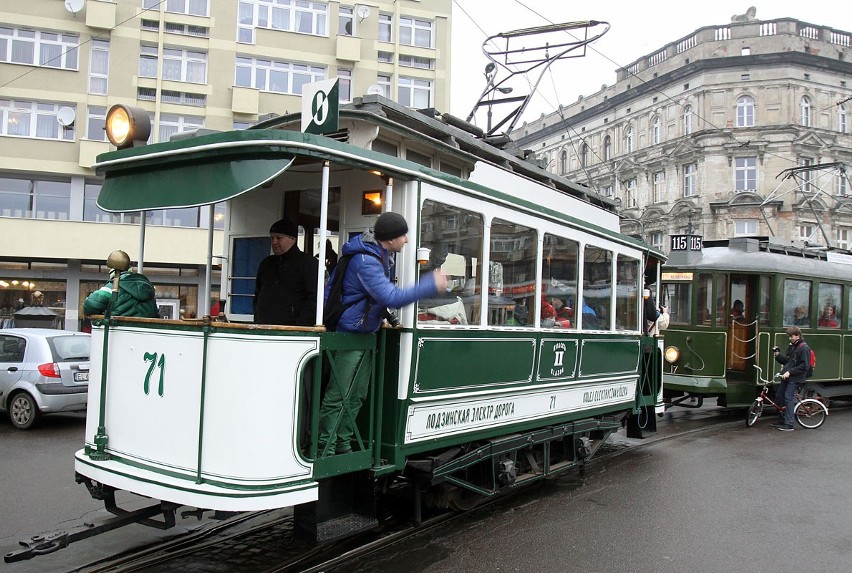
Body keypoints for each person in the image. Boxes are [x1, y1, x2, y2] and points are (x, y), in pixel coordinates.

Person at [317, 212, 447, 454]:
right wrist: (430, 283)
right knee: (339, 395)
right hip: (349, 336)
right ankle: (325, 446)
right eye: (403, 235)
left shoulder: (378, 255)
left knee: (356, 395)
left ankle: (342, 443)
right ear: (390, 239)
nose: (407, 240)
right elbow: (391, 298)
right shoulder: (366, 262)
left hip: (363, 334)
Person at [253, 219, 319, 326]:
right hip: (263, 326)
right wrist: (258, 316)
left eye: (279, 238)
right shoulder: (266, 264)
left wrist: (300, 326)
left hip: (293, 330)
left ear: (292, 239)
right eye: (272, 238)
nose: (274, 242)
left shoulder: (308, 264)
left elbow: (314, 298)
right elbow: (258, 293)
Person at [83, 256, 159, 318]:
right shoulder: (148, 289)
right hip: (146, 334)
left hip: (117, 332)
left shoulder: (111, 287)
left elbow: (90, 306)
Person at [772, 325, 811, 431]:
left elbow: (805, 366)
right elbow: (787, 362)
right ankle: (782, 421)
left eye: (791, 336)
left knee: (788, 398)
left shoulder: (803, 348)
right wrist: (777, 355)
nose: (790, 338)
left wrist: (790, 372)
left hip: (796, 378)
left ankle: (789, 424)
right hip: (788, 377)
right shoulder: (793, 346)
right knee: (779, 397)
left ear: (797, 335)